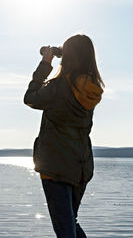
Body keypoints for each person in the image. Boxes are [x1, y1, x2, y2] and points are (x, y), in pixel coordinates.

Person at [24, 34, 104, 238]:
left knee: (65, 229)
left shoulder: (59, 86)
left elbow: (30, 99)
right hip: (80, 167)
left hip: (56, 166)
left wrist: (45, 63)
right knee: (70, 223)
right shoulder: (92, 87)